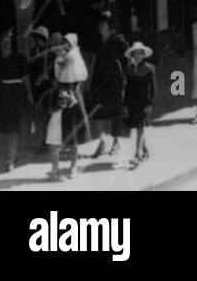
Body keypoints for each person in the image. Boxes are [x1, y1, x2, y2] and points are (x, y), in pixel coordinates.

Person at [0, 29, 33, 173]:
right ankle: (13, 153)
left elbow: (26, 78)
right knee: (7, 127)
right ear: (0, 44)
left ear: (11, 44)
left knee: (13, 127)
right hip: (3, 95)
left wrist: (30, 94)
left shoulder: (19, 58)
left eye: (8, 42)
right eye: (3, 42)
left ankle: (11, 159)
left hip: (16, 94)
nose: (6, 44)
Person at [47, 32, 89, 181]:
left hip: (72, 94)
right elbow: (58, 75)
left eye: (67, 43)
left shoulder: (73, 56)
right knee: (58, 131)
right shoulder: (60, 57)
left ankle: (73, 165)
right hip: (62, 94)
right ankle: (57, 169)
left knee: (73, 131)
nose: (65, 46)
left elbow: (81, 74)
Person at [88, 11, 129, 158]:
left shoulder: (119, 42)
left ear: (110, 26)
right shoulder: (97, 43)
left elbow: (127, 61)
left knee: (115, 113)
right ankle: (101, 142)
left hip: (115, 82)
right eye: (99, 24)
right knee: (98, 113)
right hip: (99, 82)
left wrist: (126, 80)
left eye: (103, 24)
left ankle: (116, 142)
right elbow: (94, 62)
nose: (100, 27)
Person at [122, 41, 156, 168]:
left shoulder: (148, 68)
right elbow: (127, 87)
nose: (137, 56)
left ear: (143, 55)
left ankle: (137, 154)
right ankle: (144, 149)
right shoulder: (129, 69)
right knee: (137, 126)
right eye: (135, 54)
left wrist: (150, 102)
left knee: (140, 127)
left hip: (143, 102)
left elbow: (152, 88)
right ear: (132, 55)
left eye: (140, 53)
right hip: (131, 102)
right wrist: (125, 103)